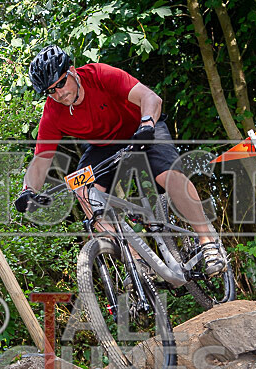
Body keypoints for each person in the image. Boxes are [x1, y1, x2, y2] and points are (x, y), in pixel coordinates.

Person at [13, 45, 225, 277]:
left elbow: (150, 97)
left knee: (167, 174)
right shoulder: (53, 112)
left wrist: (146, 124)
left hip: (141, 127)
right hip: (103, 145)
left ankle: (208, 242)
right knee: (81, 190)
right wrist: (28, 190)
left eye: (61, 83)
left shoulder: (99, 75)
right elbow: (41, 159)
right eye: (50, 91)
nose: (59, 94)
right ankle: (136, 263)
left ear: (72, 71)